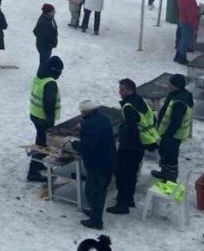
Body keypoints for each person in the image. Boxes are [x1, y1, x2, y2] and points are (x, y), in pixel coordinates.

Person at [108, 79, 158, 215]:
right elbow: (152, 119)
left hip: (129, 147)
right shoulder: (141, 101)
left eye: (122, 90)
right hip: (141, 145)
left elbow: (131, 128)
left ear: (130, 90)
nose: (119, 92)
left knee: (122, 175)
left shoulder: (128, 107)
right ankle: (129, 199)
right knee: (132, 174)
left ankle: (122, 204)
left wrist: (120, 133)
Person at [73, 101, 116, 230]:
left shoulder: (90, 124)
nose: (81, 114)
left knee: (95, 192)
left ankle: (96, 221)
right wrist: (82, 127)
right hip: (108, 161)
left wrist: (71, 144)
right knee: (95, 189)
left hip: (98, 164)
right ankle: (94, 213)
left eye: (82, 112)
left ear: (86, 111)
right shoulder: (102, 117)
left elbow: (87, 145)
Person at [27, 56, 63, 182]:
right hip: (43, 118)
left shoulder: (40, 76)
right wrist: (50, 121)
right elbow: (49, 103)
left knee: (41, 140)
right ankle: (33, 171)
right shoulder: (50, 83)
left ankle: (38, 163)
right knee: (42, 144)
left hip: (35, 113)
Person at [151, 74, 193, 182]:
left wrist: (167, 136)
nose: (168, 85)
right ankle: (164, 173)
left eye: (170, 84)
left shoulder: (180, 101)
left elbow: (175, 122)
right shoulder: (177, 94)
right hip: (169, 133)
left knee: (171, 156)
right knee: (164, 153)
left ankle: (171, 179)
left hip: (173, 135)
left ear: (175, 85)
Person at [175, 0, 199, 64]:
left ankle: (178, 56)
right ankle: (182, 58)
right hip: (187, 21)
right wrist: (195, 25)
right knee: (185, 40)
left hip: (182, 19)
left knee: (182, 39)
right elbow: (191, 14)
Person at [33, 4, 58, 72]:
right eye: (53, 11)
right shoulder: (44, 21)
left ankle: (41, 74)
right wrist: (50, 43)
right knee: (44, 63)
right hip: (45, 46)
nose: (54, 12)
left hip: (46, 46)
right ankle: (40, 75)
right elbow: (36, 32)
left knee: (44, 62)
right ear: (48, 12)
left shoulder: (49, 18)